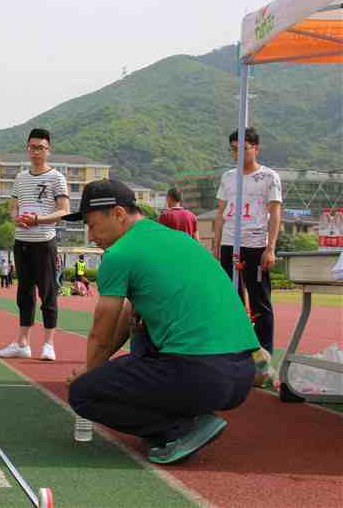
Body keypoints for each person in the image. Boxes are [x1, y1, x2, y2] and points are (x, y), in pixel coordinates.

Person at [66, 179, 258, 465]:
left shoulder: (120, 254)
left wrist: (89, 378)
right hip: (243, 374)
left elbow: (101, 334)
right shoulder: (180, 240)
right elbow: (127, 317)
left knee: (83, 394)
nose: (91, 236)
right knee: (141, 328)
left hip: (201, 374)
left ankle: (178, 429)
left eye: (92, 225)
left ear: (119, 214)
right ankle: (189, 414)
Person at [0, 129, 69, 362]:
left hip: (44, 242)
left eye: (40, 147)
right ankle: (22, 343)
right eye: (31, 147)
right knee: (24, 293)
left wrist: (38, 220)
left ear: (49, 149)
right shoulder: (20, 178)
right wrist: (16, 217)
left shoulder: (57, 178)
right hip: (22, 241)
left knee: (48, 293)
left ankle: (49, 344)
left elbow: (63, 211)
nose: (35, 151)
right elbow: (14, 206)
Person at [213, 128, 281, 358]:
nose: (237, 154)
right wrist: (216, 244)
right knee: (232, 299)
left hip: (255, 245)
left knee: (259, 300)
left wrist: (270, 248)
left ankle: (264, 357)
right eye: (233, 149)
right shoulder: (228, 177)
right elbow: (220, 213)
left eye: (243, 149)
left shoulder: (269, 176)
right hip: (229, 244)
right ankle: (237, 350)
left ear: (255, 148)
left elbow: (275, 213)